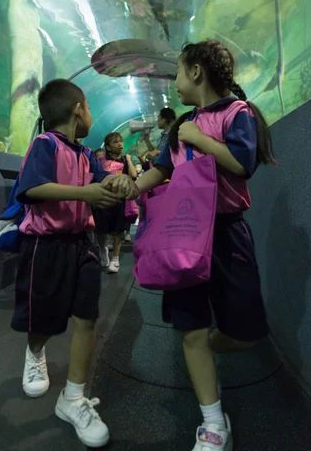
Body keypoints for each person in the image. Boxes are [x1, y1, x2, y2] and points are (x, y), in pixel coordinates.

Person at [108, 40, 274, 451]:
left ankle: (213, 343)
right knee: (190, 328)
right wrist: (130, 185)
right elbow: (160, 170)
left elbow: (241, 164)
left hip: (227, 233)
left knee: (246, 330)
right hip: (183, 233)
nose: (176, 82)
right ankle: (214, 422)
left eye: (179, 72)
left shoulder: (238, 115)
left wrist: (199, 137)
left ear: (196, 72)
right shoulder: (181, 125)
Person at [10, 79, 134, 448]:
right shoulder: (44, 144)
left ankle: (74, 397)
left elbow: (103, 181)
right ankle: (35, 353)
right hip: (45, 246)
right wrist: (87, 193)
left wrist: (123, 184)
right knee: (43, 318)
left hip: (82, 245)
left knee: (86, 317)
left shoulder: (86, 155)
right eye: (90, 108)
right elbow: (31, 189)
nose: (91, 115)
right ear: (79, 109)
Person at [93, 132, 137, 273]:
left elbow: (133, 176)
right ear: (108, 147)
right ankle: (102, 249)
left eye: (121, 141)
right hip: (103, 199)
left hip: (119, 201)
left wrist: (129, 160)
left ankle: (115, 259)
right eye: (115, 142)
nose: (120, 144)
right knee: (101, 229)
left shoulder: (125, 161)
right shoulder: (100, 160)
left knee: (117, 230)